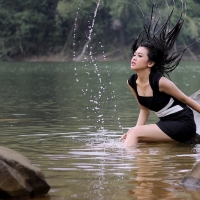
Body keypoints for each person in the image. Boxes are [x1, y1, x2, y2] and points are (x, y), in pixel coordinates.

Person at [120, 8, 200, 146]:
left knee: (133, 134)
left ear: (150, 63)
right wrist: (134, 131)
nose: (134, 58)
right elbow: (144, 110)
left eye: (139, 56)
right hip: (165, 123)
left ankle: (128, 163)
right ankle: (138, 164)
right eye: (134, 55)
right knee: (130, 137)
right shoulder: (132, 82)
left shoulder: (161, 82)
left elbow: (186, 100)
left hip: (183, 123)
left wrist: (134, 132)